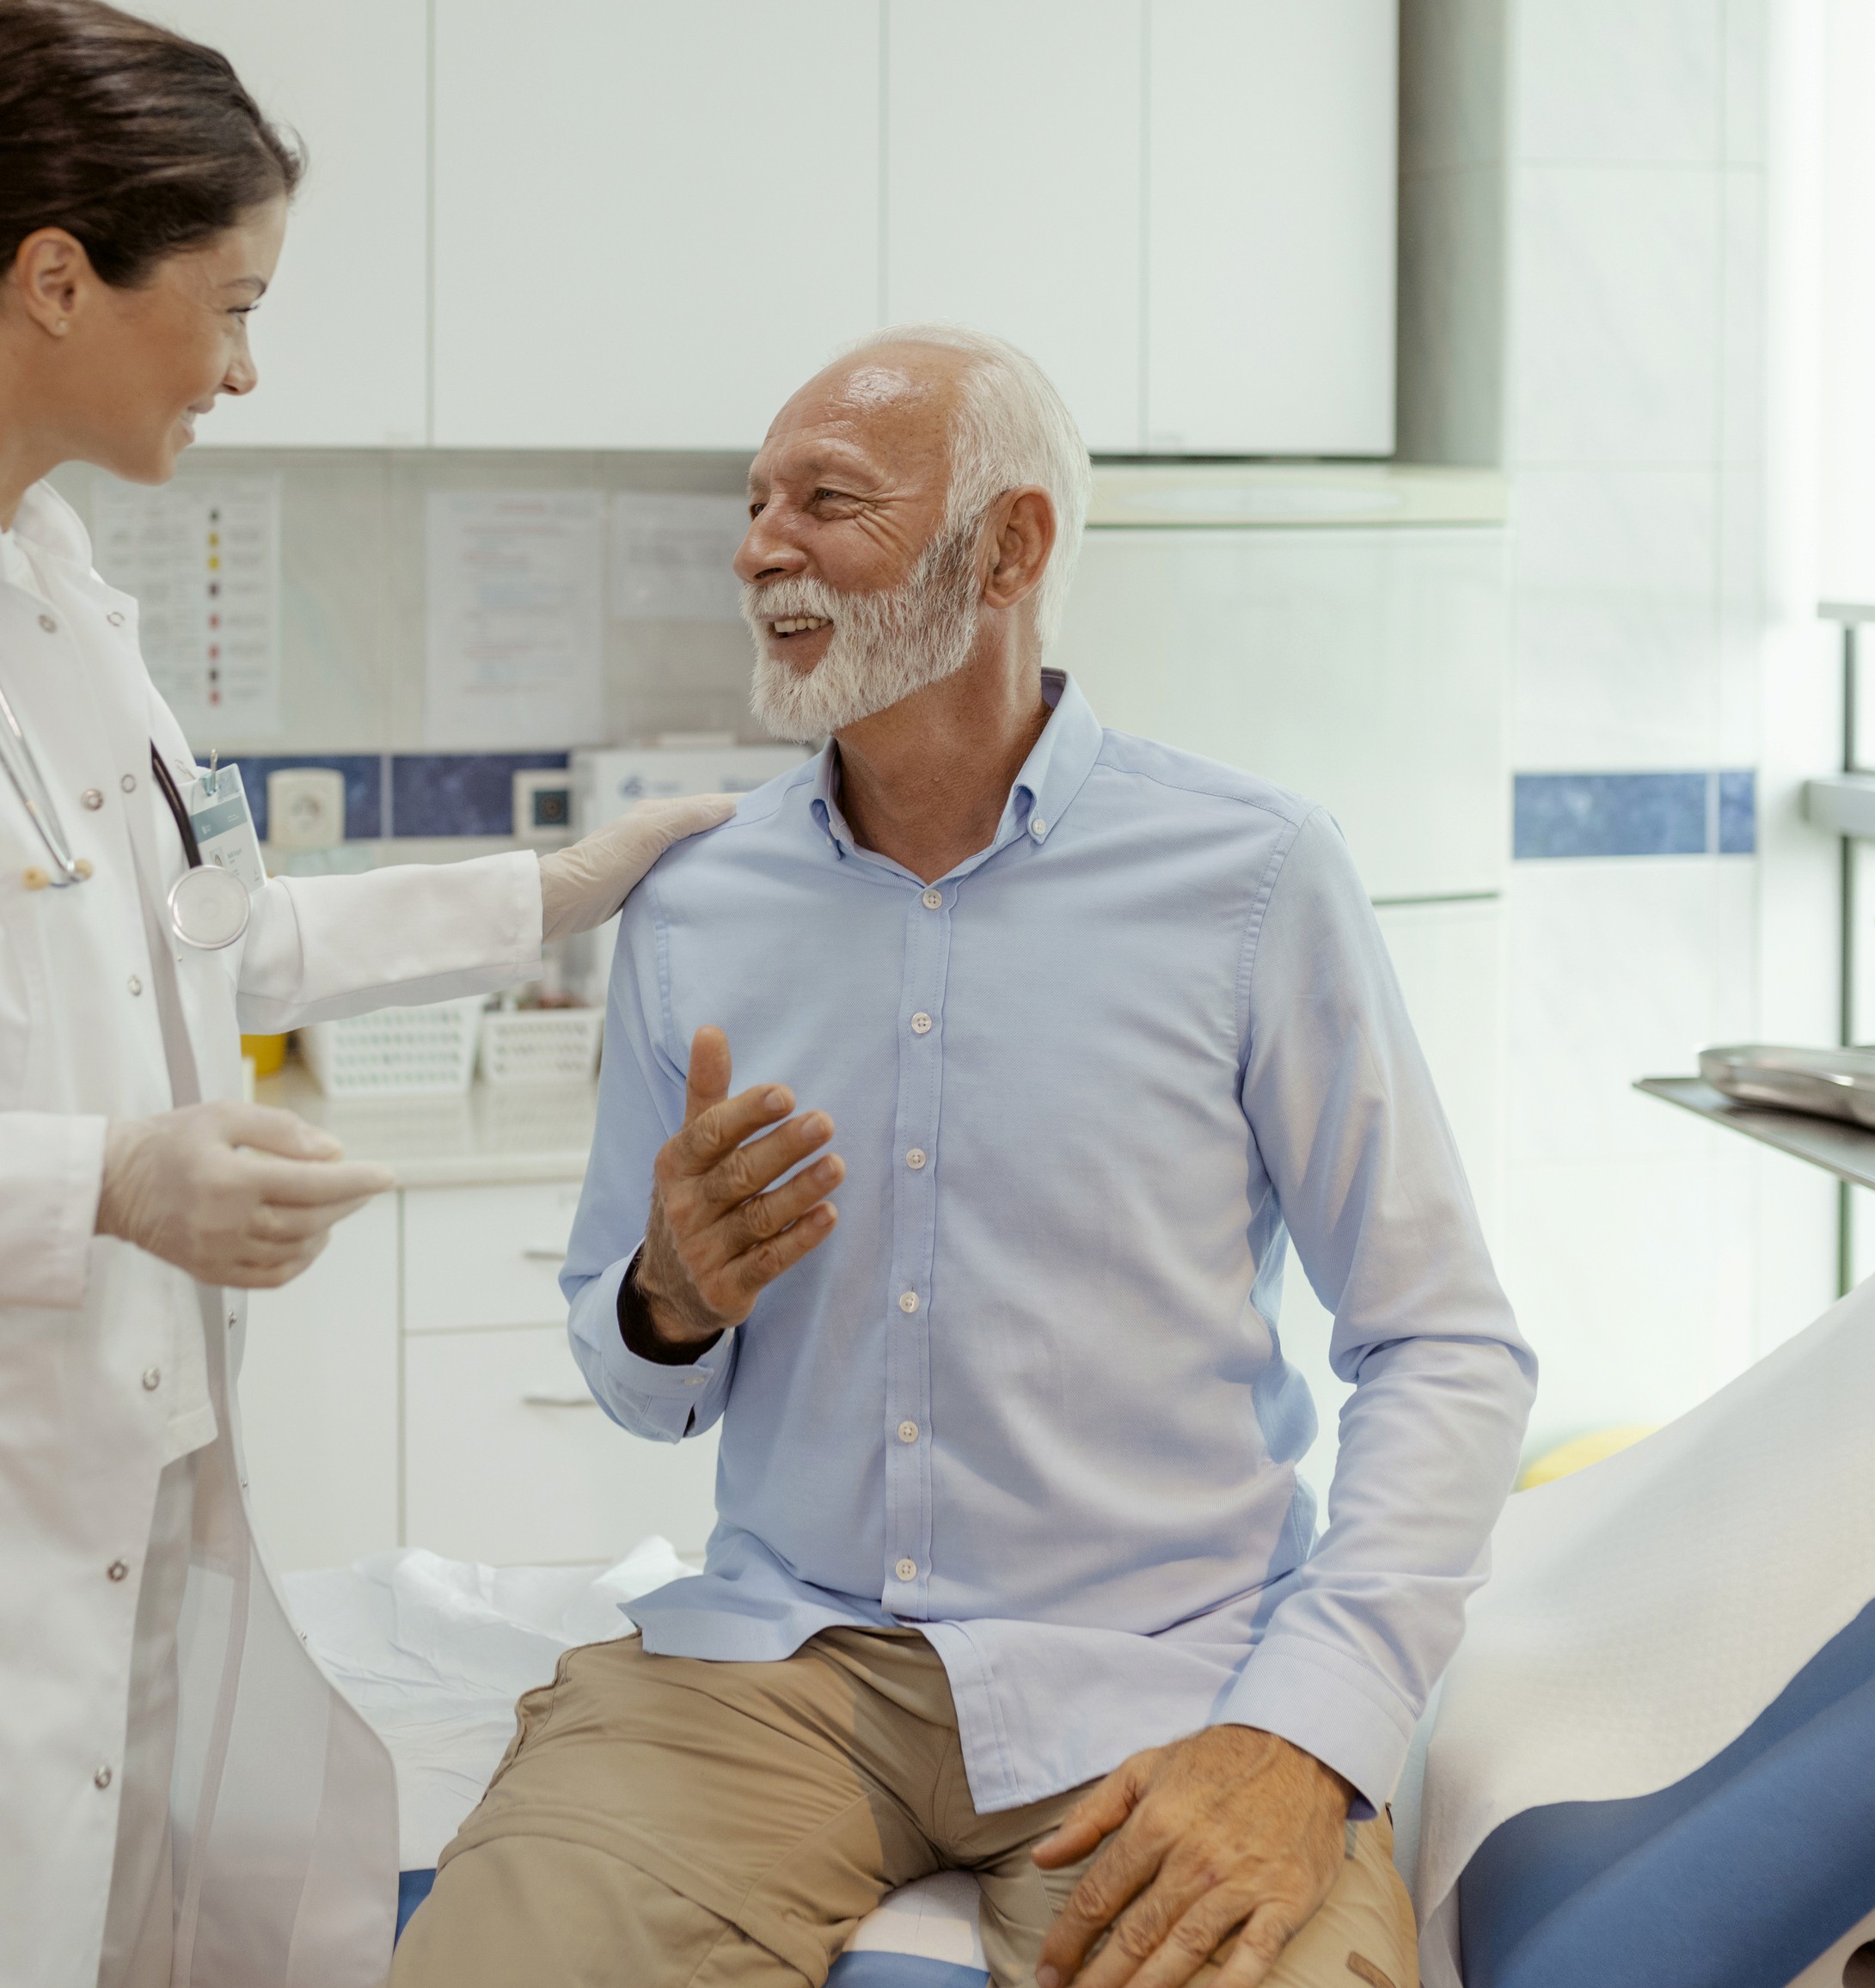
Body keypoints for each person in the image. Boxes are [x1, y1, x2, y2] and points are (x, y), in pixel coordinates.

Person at [0, 0, 723, 1987]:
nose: (248, 366)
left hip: (82, 1526)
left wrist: (550, 892)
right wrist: (104, 1177)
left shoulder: (47, 584)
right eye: (232, 301)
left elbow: (208, 938)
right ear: (59, 279)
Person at [390, 327, 1535, 1988]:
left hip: (1164, 1673)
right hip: (778, 1671)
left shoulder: (1254, 875)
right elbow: (637, 1378)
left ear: (1010, 548)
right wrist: (666, 1297)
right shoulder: (699, 906)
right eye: (758, 500)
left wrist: (1312, 1729)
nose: (759, 545)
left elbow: (1446, 1341)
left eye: (828, 500)